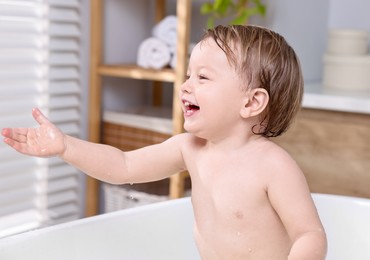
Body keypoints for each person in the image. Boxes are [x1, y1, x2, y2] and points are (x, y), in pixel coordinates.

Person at [2, 25, 327, 259]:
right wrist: (65, 146)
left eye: (202, 77)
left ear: (251, 103)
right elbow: (123, 166)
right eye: (187, 75)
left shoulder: (273, 166)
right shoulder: (189, 148)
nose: (185, 86)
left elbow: (309, 235)